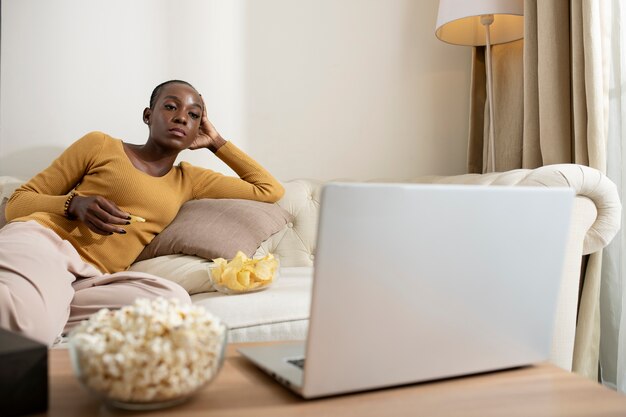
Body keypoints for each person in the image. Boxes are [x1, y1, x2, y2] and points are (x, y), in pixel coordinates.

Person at [0, 80, 284, 346]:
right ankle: (39, 314)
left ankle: (46, 307)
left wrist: (216, 142)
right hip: (45, 244)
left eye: (194, 115)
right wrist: (72, 204)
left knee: (171, 302)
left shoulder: (189, 180)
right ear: (148, 115)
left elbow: (268, 189)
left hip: (92, 278)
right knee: (32, 332)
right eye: (171, 107)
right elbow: (18, 203)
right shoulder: (100, 145)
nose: (182, 117)